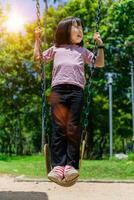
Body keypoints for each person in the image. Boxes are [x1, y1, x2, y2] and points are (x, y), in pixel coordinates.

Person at [34, 17, 104, 185]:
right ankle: (58, 167)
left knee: (72, 127)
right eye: (75, 27)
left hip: (76, 91)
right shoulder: (56, 49)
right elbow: (38, 58)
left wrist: (100, 44)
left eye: (81, 27)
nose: (80, 30)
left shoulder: (83, 51)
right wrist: (37, 39)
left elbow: (99, 63)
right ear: (65, 30)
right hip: (58, 90)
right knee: (59, 127)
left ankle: (71, 166)